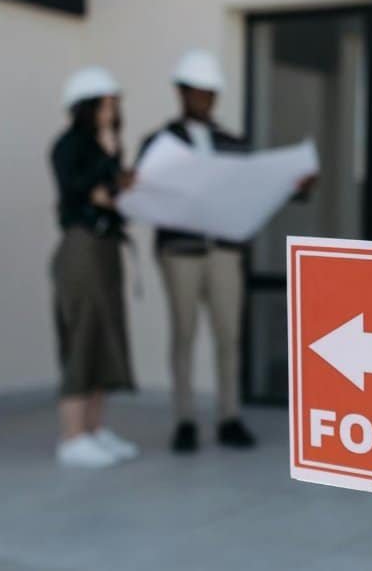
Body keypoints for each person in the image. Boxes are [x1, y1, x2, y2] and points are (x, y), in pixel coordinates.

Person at [139, 49, 258, 454]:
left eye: (210, 93)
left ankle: (230, 416)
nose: (204, 100)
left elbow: (252, 191)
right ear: (181, 93)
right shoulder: (159, 143)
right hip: (181, 251)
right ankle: (185, 419)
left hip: (224, 250)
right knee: (184, 335)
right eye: (197, 92)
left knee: (229, 335)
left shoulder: (233, 143)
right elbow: (144, 191)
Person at [49, 66, 141, 469]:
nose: (110, 112)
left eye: (113, 105)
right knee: (83, 335)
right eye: (103, 104)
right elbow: (81, 189)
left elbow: (112, 193)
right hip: (81, 247)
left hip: (106, 247)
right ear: (84, 107)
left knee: (106, 334)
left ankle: (94, 430)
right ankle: (72, 437)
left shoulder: (108, 146)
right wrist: (109, 173)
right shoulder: (68, 145)